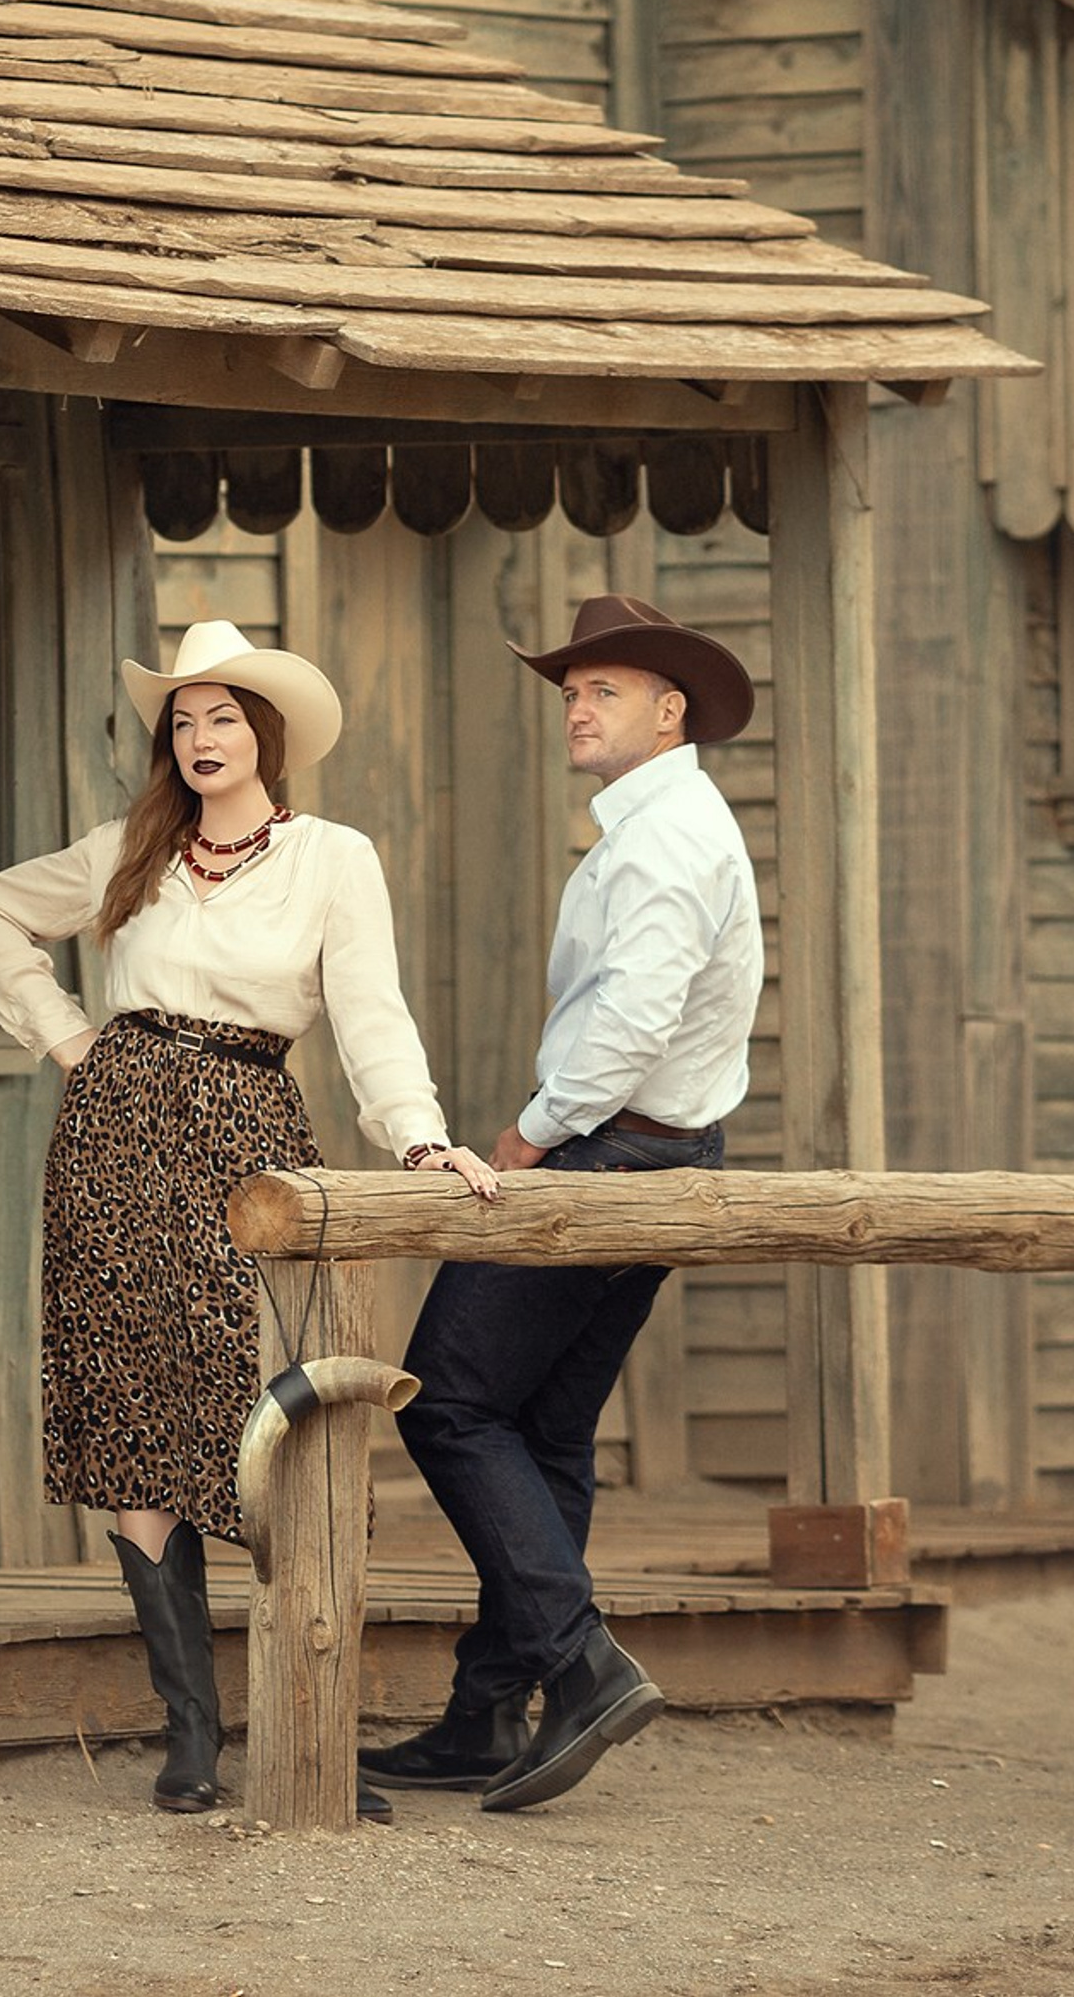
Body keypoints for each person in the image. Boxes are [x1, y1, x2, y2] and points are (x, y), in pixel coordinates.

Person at [0, 619, 494, 1819]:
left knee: (277, 1405)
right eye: (183, 720)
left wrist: (416, 1133)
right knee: (142, 1406)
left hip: (251, 1134)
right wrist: (68, 1039)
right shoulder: (128, 849)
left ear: (269, 735)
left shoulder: (331, 857)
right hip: (114, 1132)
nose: (201, 738)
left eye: (224, 716)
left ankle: (309, 1725)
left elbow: (368, 1009)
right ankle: (190, 1736)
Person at [365, 592, 763, 1816]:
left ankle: (580, 1665)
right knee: (541, 1432)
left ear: (668, 707)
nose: (576, 708)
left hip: (613, 1156)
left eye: (602, 689)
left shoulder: (661, 838)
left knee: (445, 1401)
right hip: (660, 1155)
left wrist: (527, 1137)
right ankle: (490, 1711)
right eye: (571, 690)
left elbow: (633, 1021)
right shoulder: (668, 822)